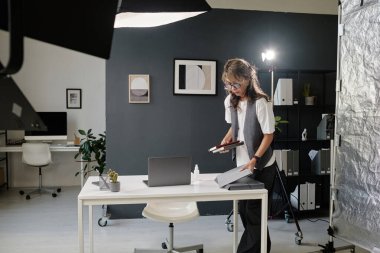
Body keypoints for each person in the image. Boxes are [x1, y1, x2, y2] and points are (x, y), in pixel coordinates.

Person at [221, 58, 277, 253]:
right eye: (228, 84)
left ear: (247, 78)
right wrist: (226, 139)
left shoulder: (261, 102)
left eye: (235, 84)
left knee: (253, 210)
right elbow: (233, 126)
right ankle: (264, 247)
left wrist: (255, 159)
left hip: (262, 166)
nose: (232, 88)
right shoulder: (230, 100)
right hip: (241, 165)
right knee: (244, 211)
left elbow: (269, 135)